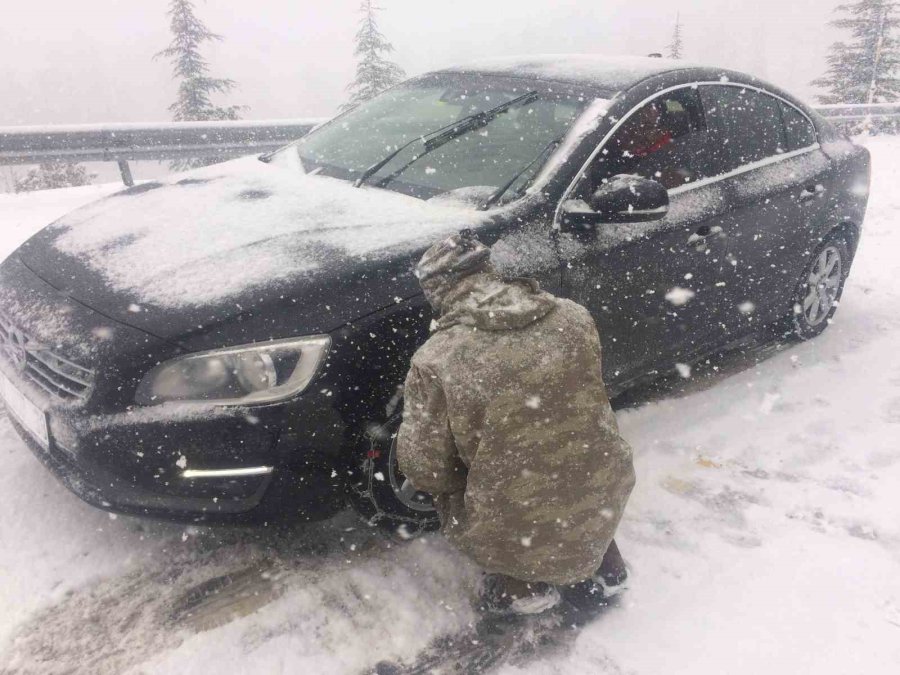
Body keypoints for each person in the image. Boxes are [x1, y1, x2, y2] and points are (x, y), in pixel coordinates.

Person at [396, 230, 636, 616]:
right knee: (575, 481)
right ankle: (609, 570)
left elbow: (425, 467)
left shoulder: (437, 357)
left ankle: (520, 590)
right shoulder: (571, 316)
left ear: (437, 289)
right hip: (606, 478)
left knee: (502, 502)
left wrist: (449, 478)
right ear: (489, 270)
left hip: (515, 510)